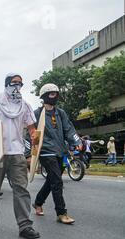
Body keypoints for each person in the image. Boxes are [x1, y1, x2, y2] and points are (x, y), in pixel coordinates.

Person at [0, 73, 40, 239]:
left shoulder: (25, 106)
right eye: (14, 83)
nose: (17, 86)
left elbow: (31, 128)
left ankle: (25, 225)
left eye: (20, 83)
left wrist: (35, 136)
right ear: (6, 84)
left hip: (17, 153)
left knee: (21, 188)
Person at [32, 84, 82, 225]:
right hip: (46, 152)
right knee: (57, 182)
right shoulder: (36, 114)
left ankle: (38, 202)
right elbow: (31, 135)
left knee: (52, 180)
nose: (55, 96)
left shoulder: (61, 113)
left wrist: (76, 141)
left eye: (56, 94)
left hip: (60, 150)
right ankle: (61, 213)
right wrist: (31, 155)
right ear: (45, 96)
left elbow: (68, 129)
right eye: (52, 94)